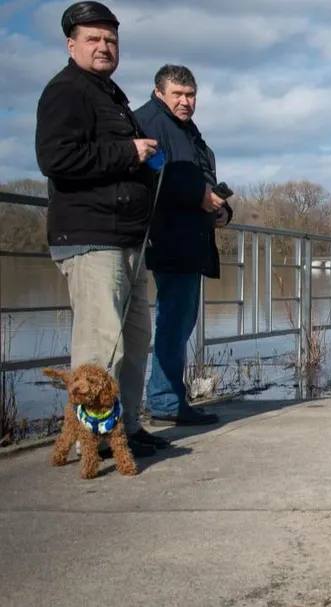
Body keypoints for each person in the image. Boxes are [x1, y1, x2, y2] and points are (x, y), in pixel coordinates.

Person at [35, 1, 168, 455]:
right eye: (92, 38)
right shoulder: (66, 91)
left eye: (110, 39)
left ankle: (124, 428)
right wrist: (129, 152)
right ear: (71, 45)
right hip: (91, 239)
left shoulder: (111, 96)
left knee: (134, 341)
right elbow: (56, 158)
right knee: (100, 348)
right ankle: (93, 441)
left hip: (126, 240)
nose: (104, 46)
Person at [134, 64, 231, 426]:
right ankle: (165, 401)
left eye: (191, 95)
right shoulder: (149, 123)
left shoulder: (186, 130)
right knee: (173, 322)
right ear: (159, 92)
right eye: (178, 94)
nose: (186, 101)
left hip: (190, 238)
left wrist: (221, 211)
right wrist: (199, 196)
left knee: (180, 321)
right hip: (168, 238)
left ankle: (168, 398)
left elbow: (201, 179)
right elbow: (153, 179)